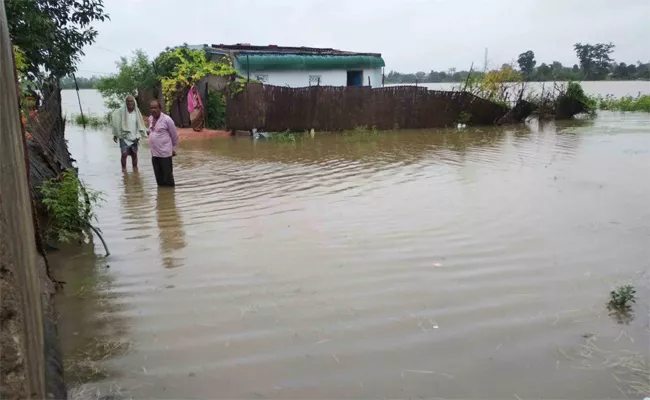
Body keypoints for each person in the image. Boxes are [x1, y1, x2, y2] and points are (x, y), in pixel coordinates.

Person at [111, 95, 147, 170]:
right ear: (125, 102)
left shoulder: (137, 112)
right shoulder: (121, 112)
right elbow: (115, 121)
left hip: (134, 137)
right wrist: (115, 134)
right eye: (128, 101)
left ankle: (135, 171)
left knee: (134, 154)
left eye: (131, 101)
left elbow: (140, 125)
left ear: (134, 102)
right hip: (124, 137)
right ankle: (124, 172)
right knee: (124, 154)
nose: (129, 102)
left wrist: (138, 136)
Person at [148, 100, 179, 187]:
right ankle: (162, 198)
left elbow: (174, 135)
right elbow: (151, 132)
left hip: (165, 154)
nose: (153, 110)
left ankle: (170, 196)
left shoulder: (167, 120)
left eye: (155, 108)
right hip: (154, 154)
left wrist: (171, 148)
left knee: (168, 179)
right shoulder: (150, 119)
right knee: (159, 180)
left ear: (160, 109)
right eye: (151, 108)